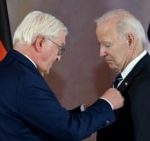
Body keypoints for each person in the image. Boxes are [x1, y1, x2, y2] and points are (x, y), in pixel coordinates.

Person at [0, 11, 124, 141]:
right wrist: (107, 103)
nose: (58, 57)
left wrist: (83, 112)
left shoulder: (8, 70)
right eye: (60, 49)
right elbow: (70, 131)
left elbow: (42, 122)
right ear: (40, 42)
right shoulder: (26, 80)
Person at [95, 9, 150, 141]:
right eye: (100, 45)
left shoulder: (145, 83)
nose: (101, 53)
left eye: (107, 45)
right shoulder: (130, 78)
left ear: (130, 40)